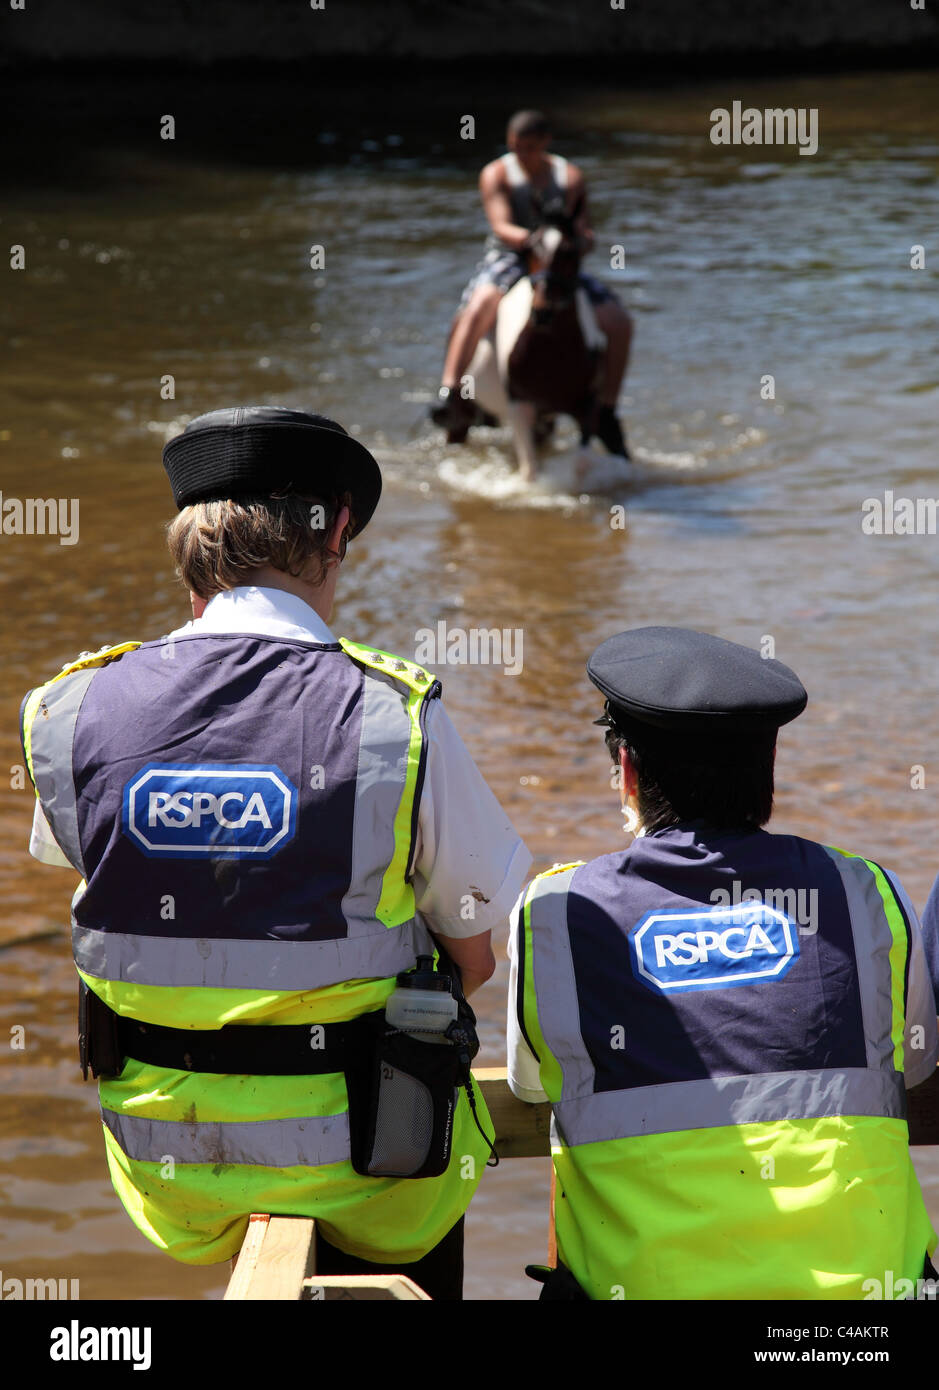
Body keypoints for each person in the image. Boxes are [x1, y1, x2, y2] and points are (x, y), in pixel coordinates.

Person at [20, 405, 532, 1301]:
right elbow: (476, 957)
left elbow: (115, 886)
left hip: (168, 1169)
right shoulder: (392, 717)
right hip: (374, 1166)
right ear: (335, 531)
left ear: (186, 547)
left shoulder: (68, 713)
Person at [507, 626, 938, 1301]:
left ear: (625, 771)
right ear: (767, 771)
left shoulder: (557, 911)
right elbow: (910, 1065)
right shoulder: (867, 894)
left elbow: (533, 1084)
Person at [431, 109, 632, 458]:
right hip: (510, 257)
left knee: (619, 321)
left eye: (529, 147)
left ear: (545, 143)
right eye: (515, 147)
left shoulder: (569, 176)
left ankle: (607, 409)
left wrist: (577, 242)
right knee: (478, 306)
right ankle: (451, 392)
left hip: (556, 262)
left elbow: (580, 226)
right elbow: (500, 225)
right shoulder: (495, 174)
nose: (521, 154)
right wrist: (536, 240)